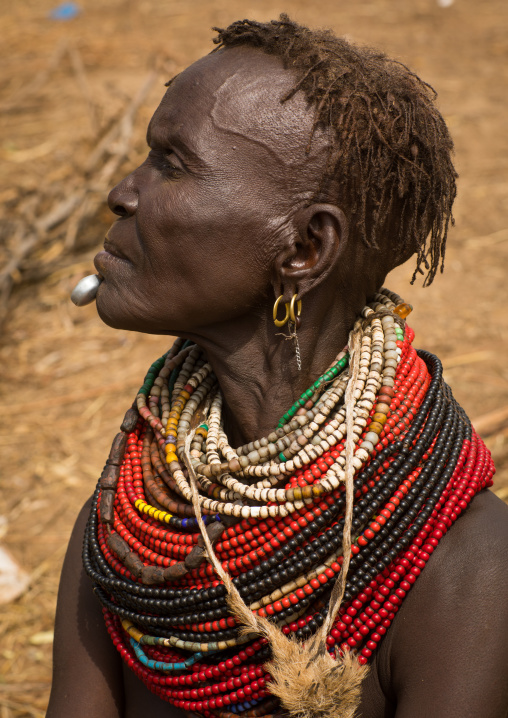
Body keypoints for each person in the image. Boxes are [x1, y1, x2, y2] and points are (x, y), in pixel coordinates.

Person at [47, 16, 508, 718]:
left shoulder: (465, 574)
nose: (122, 192)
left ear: (304, 250)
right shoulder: (129, 527)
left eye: (172, 165)